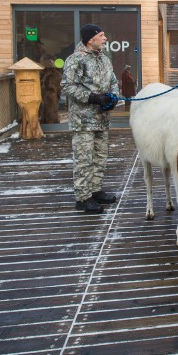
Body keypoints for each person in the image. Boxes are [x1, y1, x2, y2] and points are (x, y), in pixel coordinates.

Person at [61, 24, 120, 214]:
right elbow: (67, 86)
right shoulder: (76, 60)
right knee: (84, 159)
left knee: (100, 157)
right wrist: (92, 97)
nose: (105, 39)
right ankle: (83, 197)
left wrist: (113, 98)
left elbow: (113, 81)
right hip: (83, 120)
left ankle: (95, 191)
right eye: (101, 35)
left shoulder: (104, 58)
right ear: (90, 39)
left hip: (101, 119)